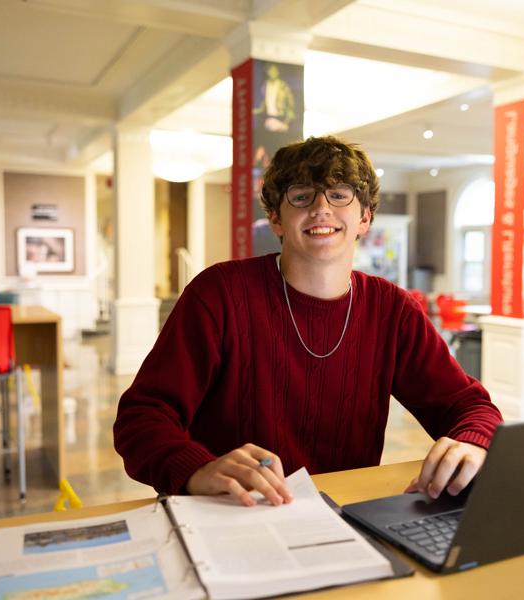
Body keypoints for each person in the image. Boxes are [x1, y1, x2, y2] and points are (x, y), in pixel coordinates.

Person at [114, 136, 502, 508]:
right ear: (276, 220)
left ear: (365, 217)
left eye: (339, 195)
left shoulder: (392, 310)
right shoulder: (220, 293)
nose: (321, 208)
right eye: (301, 196)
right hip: (235, 511)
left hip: (346, 514)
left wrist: (471, 441)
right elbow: (141, 418)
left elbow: (470, 406)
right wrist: (196, 468)